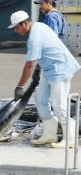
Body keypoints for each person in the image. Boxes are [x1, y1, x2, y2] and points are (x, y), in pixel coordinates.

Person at [8, 11, 80, 148]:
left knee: (58, 104)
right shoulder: (38, 26)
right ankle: (49, 133)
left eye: (16, 27)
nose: (15, 31)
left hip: (60, 69)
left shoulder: (34, 36)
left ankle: (70, 139)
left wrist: (19, 87)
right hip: (49, 70)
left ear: (24, 23)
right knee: (40, 99)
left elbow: (29, 65)